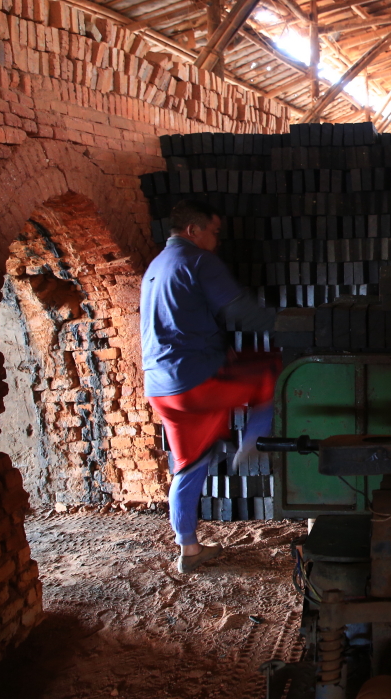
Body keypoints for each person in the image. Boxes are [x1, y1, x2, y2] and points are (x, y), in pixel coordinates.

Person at [140, 199, 278, 573]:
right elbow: (238, 309)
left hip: (160, 388)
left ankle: (188, 548)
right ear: (193, 231)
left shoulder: (155, 268)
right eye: (214, 232)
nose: (216, 241)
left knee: (189, 463)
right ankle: (255, 442)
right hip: (193, 381)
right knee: (270, 370)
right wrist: (290, 322)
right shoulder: (199, 261)